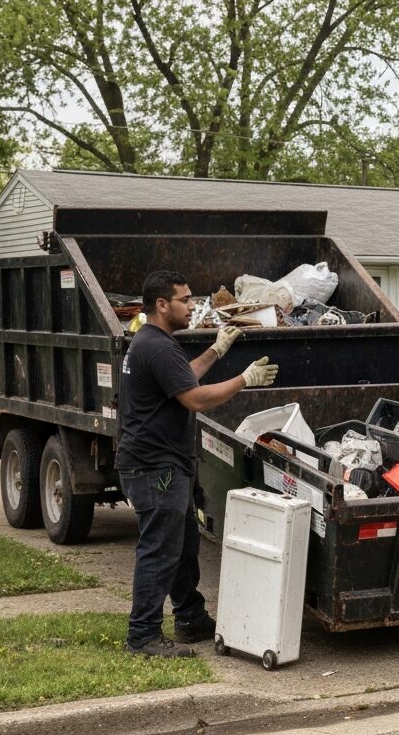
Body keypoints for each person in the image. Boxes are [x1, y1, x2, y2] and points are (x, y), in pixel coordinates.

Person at [116, 270, 279, 658]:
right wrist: (245, 378)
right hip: (155, 468)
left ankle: (190, 618)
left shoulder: (155, 343)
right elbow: (195, 399)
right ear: (161, 305)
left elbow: (180, 378)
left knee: (184, 545)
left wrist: (216, 351)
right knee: (160, 549)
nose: (193, 306)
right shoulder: (155, 346)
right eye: (185, 300)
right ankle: (142, 637)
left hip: (163, 464)